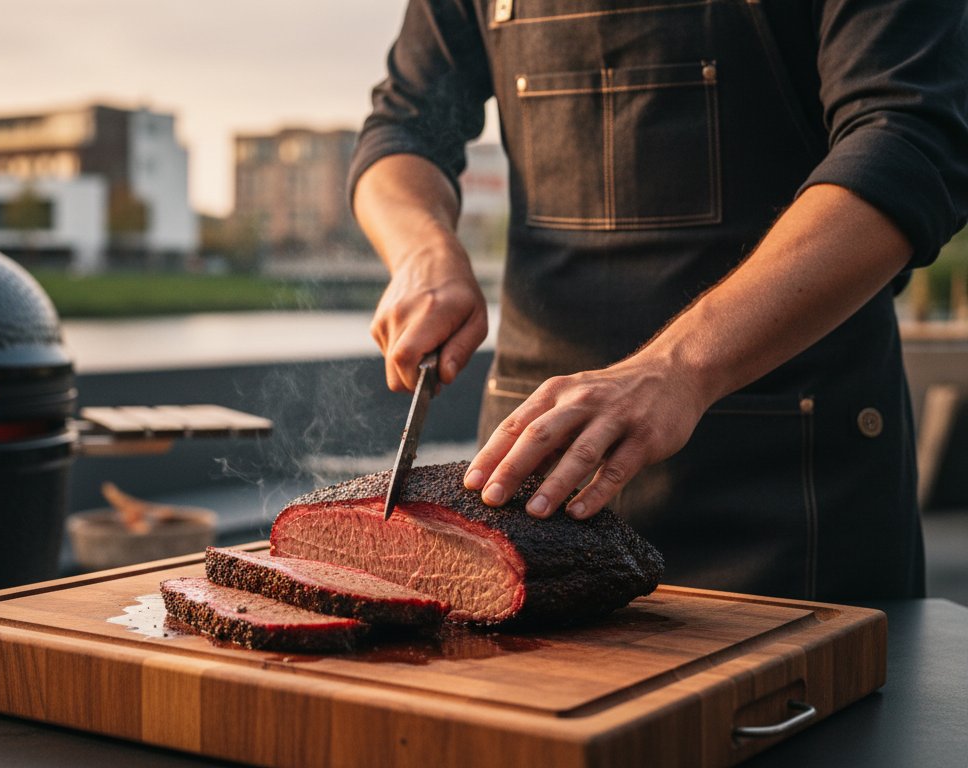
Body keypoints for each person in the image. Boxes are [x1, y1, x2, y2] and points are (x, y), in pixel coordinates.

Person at [350, 0, 968, 600]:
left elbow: (907, 140)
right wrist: (422, 249)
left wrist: (677, 368)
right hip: (531, 484)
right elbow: (404, 125)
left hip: (792, 491)